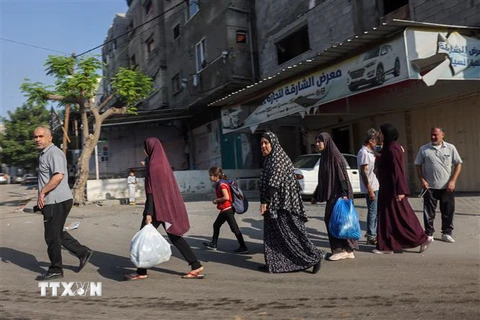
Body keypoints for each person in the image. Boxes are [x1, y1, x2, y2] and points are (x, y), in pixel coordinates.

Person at [125, 137, 204, 280]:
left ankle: (142, 272)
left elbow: (151, 190)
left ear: (150, 148)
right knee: (174, 236)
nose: (144, 150)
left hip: (156, 208)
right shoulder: (162, 163)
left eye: (145, 147)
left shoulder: (153, 164)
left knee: (146, 235)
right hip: (165, 206)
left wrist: (149, 212)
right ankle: (195, 265)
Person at [33, 126, 93, 280]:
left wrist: (43, 192)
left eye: (41, 136)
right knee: (57, 232)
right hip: (53, 201)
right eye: (35, 137)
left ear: (49, 138)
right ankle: (82, 252)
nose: (37, 139)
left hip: (56, 201)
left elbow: (58, 176)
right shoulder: (44, 154)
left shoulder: (54, 153)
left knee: (51, 236)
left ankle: (56, 269)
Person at [259, 131, 323, 274]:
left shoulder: (278, 158)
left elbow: (273, 182)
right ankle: (274, 263)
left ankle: (314, 256)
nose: (263, 146)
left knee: (293, 233)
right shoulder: (269, 159)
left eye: (266, 143)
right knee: (274, 235)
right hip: (275, 205)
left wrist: (265, 201)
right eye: (261, 143)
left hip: (285, 205)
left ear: (273, 144)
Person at [374, 123, 431, 254]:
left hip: (393, 189)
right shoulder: (389, 147)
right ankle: (387, 245)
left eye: (381, 133)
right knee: (388, 217)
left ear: (387, 134)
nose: (379, 135)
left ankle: (421, 238)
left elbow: (398, 170)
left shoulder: (393, 148)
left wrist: (401, 190)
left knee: (402, 216)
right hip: (387, 188)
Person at [312, 132, 358, 261]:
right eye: (316, 141)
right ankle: (347, 249)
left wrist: (343, 194)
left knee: (336, 221)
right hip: (333, 194)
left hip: (339, 194)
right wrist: (316, 195)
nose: (317, 144)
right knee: (339, 221)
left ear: (326, 142)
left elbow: (342, 177)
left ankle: (341, 249)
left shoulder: (334, 157)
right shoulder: (324, 157)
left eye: (319, 141)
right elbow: (323, 180)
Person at [414, 126, 462, 243]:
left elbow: (458, 164)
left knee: (448, 211)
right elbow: (418, 165)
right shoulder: (424, 149)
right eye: (432, 135)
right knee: (429, 212)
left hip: (447, 188)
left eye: (436, 135)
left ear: (442, 135)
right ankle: (429, 233)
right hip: (429, 187)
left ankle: (446, 233)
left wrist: (453, 181)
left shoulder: (450, 148)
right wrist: (422, 180)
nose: (433, 137)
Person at [203, 167, 248, 253]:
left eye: (211, 175)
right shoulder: (221, 183)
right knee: (217, 225)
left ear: (216, 176)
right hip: (226, 209)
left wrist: (217, 200)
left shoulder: (222, 184)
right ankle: (214, 243)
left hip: (227, 209)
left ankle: (243, 247)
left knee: (234, 228)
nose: (210, 177)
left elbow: (226, 197)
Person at [357, 128, 380, 245]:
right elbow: (363, 172)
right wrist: (369, 189)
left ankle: (373, 232)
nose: (377, 142)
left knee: (376, 211)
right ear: (371, 141)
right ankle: (371, 235)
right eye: (375, 140)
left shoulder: (371, 152)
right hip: (371, 187)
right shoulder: (364, 153)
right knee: (372, 211)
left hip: (376, 185)